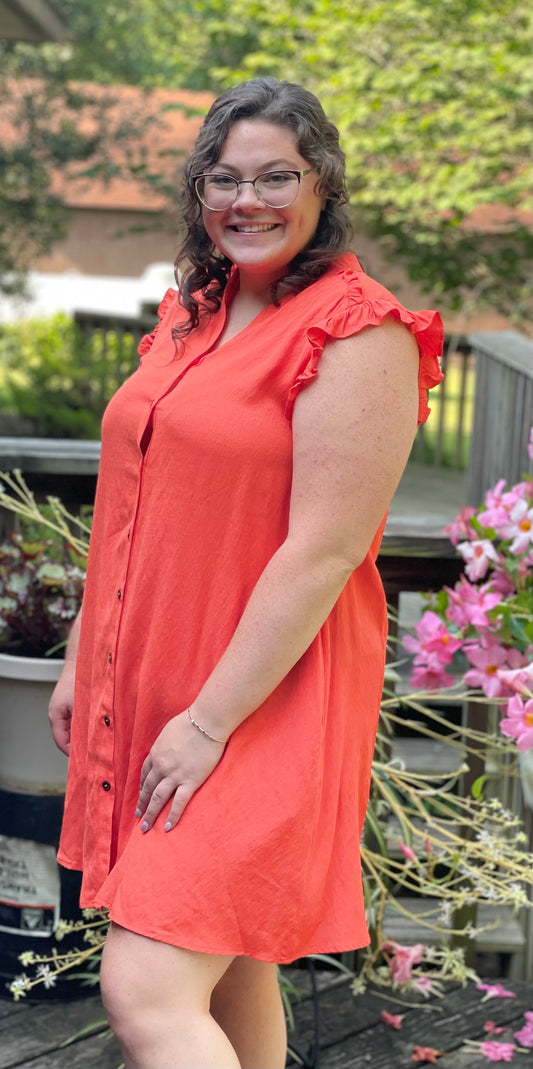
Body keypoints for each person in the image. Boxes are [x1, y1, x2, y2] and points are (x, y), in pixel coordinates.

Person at [49, 77, 444, 1069]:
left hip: (263, 696)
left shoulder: (361, 331)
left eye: (275, 175)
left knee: (145, 983)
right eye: (221, 179)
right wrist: (77, 660)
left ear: (322, 188)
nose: (245, 200)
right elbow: (131, 502)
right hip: (158, 677)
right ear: (197, 194)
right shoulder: (190, 315)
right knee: (228, 967)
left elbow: (321, 551)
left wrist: (208, 722)